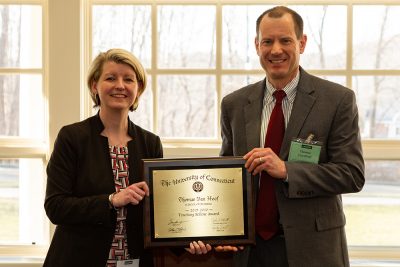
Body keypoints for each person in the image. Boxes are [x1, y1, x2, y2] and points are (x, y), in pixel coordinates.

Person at [217, 6, 365, 267]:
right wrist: (216, 229)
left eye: (285, 40)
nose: (276, 50)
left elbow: (351, 174)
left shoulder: (337, 100)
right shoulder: (234, 104)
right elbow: (227, 177)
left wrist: (286, 170)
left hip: (313, 249)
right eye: (267, 41)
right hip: (250, 252)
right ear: (256, 45)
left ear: (302, 42)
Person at [43, 48, 210, 267]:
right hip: (78, 258)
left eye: (128, 79)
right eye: (110, 78)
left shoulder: (150, 142)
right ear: (95, 85)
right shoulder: (72, 137)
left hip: (135, 261)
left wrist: (186, 241)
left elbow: (157, 212)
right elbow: (56, 206)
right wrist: (111, 200)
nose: (120, 85)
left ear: (138, 89)